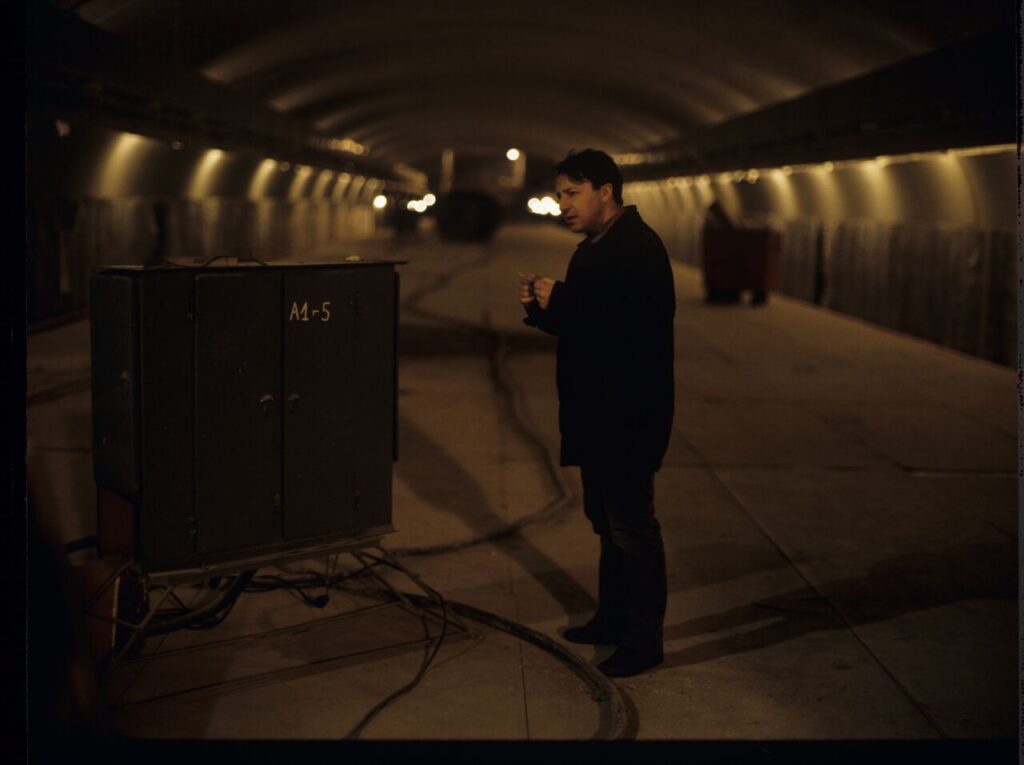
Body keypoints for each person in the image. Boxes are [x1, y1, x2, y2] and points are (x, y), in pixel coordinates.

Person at [519, 149, 675, 677]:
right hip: (596, 413)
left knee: (632, 527)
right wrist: (542, 309)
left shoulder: (638, 249)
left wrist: (562, 300)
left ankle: (643, 641)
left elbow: (628, 331)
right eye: (559, 194)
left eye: (572, 193)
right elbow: (585, 325)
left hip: (628, 414)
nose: (563, 204)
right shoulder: (594, 248)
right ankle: (612, 618)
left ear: (605, 191)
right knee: (607, 523)